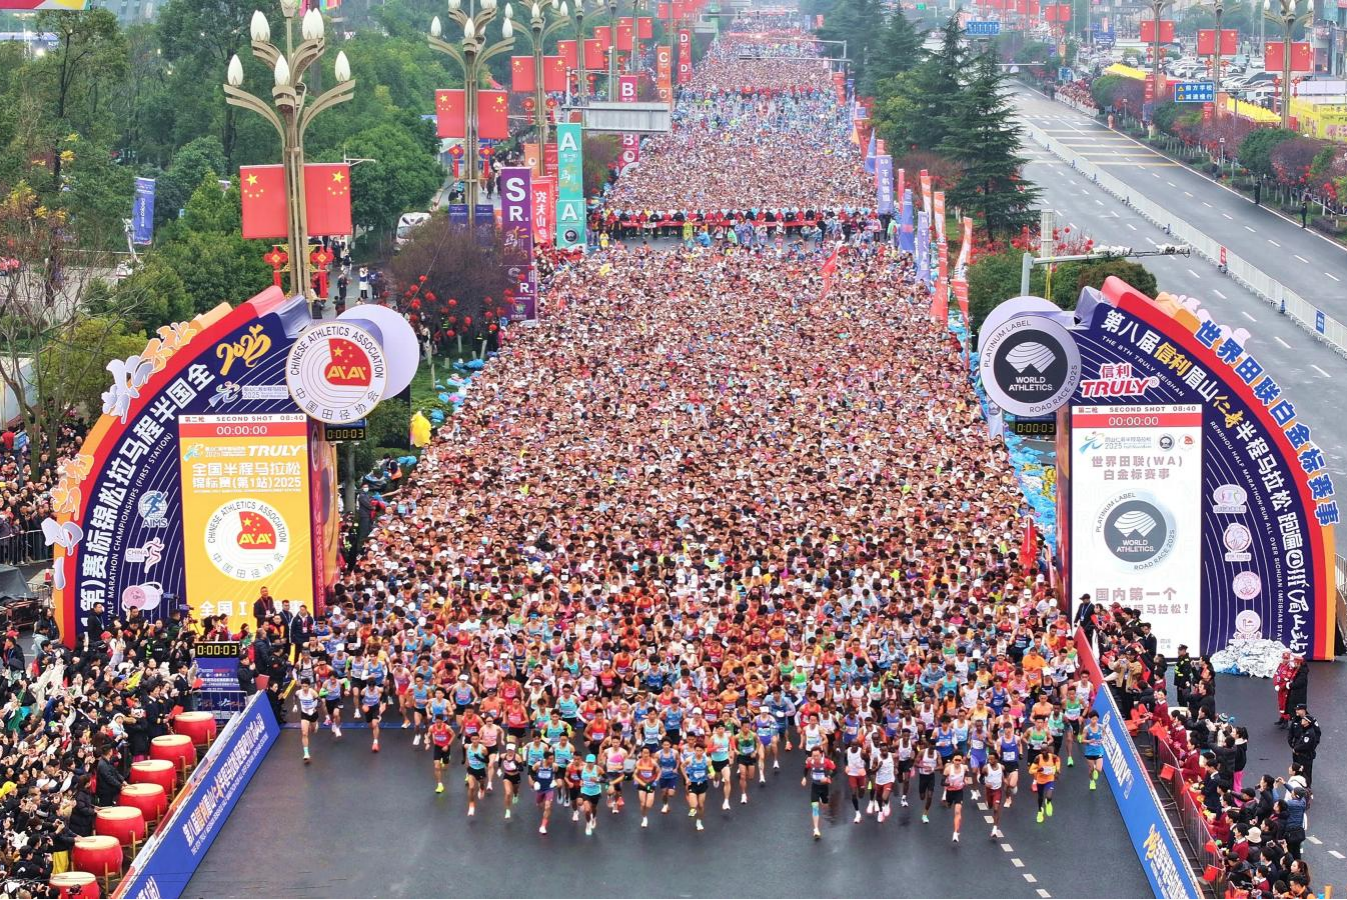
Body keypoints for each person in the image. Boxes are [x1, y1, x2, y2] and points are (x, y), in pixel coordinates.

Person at [802, 746, 835, 840]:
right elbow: (806, 769)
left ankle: (822, 800)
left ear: (821, 754)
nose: (815, 758)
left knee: (825, 805)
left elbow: (835, 770)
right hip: (815, 786)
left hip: (824, 787)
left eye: (817, 755)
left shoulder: (826, 762)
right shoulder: (810, 762)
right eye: (813, 756)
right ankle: (816, 829)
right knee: (815, 807)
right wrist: (804, 778)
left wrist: (828, 777)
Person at [682, 743, 711, 831]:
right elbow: (682, 767)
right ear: (694, 750)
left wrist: (711, 774)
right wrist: (686, 778)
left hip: (702, 783)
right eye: (697, 750)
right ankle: (693, 809)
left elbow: (711, 770)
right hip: (693, 783)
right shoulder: (690, 759)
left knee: (701, 805)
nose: (698, 752)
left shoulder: (707, 760)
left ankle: (699, 822)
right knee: (694, 805)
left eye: (700, 751)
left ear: (703, 751)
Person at [1030, 749, 1060, 824]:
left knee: (1049, 796)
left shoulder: (1052, 756)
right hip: (1040, 781)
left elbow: (1058, 760)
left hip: (1050, 779)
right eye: (1042, 751)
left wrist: (1057, 769)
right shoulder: (1038, 758)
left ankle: (1048, 802)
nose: (1044, 752)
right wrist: (1038, 770)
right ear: (1041, 752)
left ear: (1047, 751)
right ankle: (1040, 811)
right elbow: (1030, 771)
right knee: (1040, 798)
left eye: (1045, 750)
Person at [943, 752, 968, 842]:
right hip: (950, 791)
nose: (957, 762)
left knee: (957, 811)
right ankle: (947, 802)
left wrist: (965, 780)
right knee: (948, 805)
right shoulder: (948, 769)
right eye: (956, 760)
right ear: (953, 760)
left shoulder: (964, 768)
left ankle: (955, 833)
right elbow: (942, 782)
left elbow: (966, 774)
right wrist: (949, 784)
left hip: (959, 792)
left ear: (961, 761)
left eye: (959, 760)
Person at [429, 714, 456, 794]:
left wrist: (448, 745)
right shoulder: (432, 727)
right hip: (437, 747)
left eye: (440, 722)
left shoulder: (447, 727)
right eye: (436, 722)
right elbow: (429, 734)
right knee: (437, 766)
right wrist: (427, 740)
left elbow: (453, 735)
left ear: (442, 721)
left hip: (446, 747)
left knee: (445, 764)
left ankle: (447, 759)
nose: (438, 724)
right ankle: (440, 785)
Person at [295, 679, 321, 763]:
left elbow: (320, 701)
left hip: (313, 713)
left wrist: (314, 708)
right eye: (303, 686)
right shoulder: (299, 692)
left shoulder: (312, 692)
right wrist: (295, 705)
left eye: (306, 686)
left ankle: (315, 725)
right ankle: (306, 754)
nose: (304, 688)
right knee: (304, 733)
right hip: (304, 714)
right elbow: (294, 696)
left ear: (309, 686)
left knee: (313, 731)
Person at [984, 751, 1007, 839]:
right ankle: (988, 801)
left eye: (992, 759)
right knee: (990, 806)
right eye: (989, 759)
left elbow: (1004, 775)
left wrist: (1005, 781)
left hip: (997, 791)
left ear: (996, 759)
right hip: (989, 791)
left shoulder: (1002, 767)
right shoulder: (986, 768)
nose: (990, 761)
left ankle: (994, 829)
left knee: (996, 809)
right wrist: (985, 784)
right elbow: (981, 778)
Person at [1082, 710, 1105, 790]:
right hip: (1089, 751)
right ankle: (1091, 781)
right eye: (1093, 719)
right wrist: (1089, 741)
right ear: (1090, 719)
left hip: (1099, 750)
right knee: (1091, 769)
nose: (1094, 721)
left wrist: (1102, 738)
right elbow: (1082, 740)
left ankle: (1096, 768)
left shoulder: (1101, 727)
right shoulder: (1086, 729)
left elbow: (1104, 733)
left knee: (1099, 769)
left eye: (1096, 719)